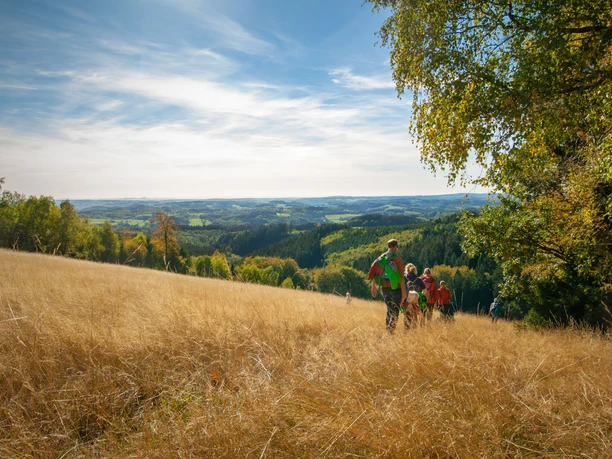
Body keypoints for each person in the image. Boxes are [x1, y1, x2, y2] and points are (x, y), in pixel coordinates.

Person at [368, 239, 407, 332]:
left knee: (389, 309)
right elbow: (401, 276)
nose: (397, 249)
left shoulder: (381, 258)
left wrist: (373, 287)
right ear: (394, 247)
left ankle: (388, 329)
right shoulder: (397, 259)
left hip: (384, 287)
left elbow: (374, 272)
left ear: (387, 246)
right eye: (396, 247)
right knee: (396, 309)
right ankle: (391, 330)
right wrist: (404, 291)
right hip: (395, 288)